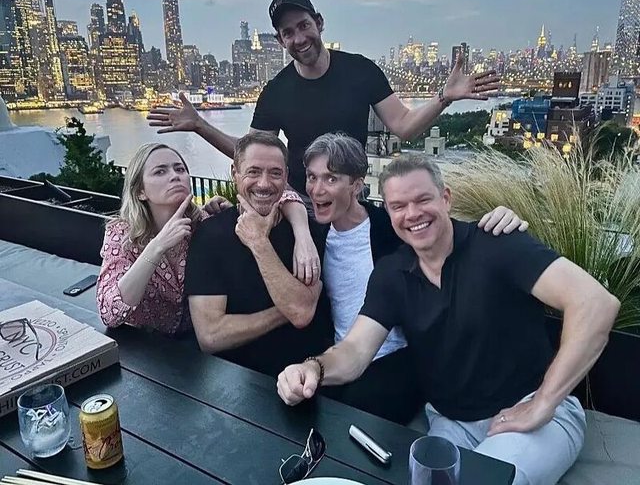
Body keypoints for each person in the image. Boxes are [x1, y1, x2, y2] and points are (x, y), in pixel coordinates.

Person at [277, 153, 620, 485]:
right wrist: (313, 368)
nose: (412, 214)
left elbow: (596, 303)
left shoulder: (497, 245)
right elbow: (354, 350)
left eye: (423, 199)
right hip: (450, 423)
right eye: (398, 206)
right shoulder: (392, 273)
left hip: (532, 411)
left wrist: (544, 402)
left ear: (446, 198)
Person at [146, 0, 500, 198]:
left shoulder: (361, 70)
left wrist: (444, 97)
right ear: (280, 40)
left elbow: (404, 126)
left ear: (319, 22)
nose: (299, 38)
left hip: (352, 196)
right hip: (301, 201)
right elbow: (250, 153)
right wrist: (200, 125)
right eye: (288, 33)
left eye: (304, 26)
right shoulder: (276, 91)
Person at [302, 133, 528, 424]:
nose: (317, 189)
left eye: (331, 178)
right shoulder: (314, 236)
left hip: (400, 358)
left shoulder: (392, 228)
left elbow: (443, 234)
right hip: (341, 356)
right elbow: (285, 199)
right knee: (302, 405)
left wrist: (504, 217)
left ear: (357, 185)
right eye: (312, 177)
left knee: (351, 415)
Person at [96, 142, 312, 334]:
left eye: (180, 169)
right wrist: (157, 246)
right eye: (160, 172)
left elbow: (280, 195)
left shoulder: (204, 222)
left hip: (196, 349)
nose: (174, 176)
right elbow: (109, 311)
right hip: (144, 347)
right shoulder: (122, 234)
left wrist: (303, 235)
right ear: (140, 191)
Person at [184, 132, 333, 377]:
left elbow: (301, 312)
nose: (264, 184)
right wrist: (287, 309)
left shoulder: (307, 234)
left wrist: (259, 242)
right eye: (253, 172)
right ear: (235, 174)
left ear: (286, 176)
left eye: (275, 173)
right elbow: (210, 335)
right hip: (235, 380)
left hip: (306, 374)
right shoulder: (210, 236)